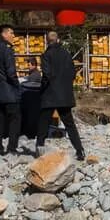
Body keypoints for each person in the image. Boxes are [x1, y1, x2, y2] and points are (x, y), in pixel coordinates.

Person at [34, 30, 85, 160]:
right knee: (69, 124)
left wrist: (42, 89)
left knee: (43, 123)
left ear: (47, 41)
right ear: (57, 40)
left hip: (50, 95)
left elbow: (46, 75)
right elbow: (73, 73)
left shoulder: (46, 55)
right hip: (64, 95)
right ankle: (79, 150)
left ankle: (39, 150)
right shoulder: (66, 54)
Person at [0, 24, 23, 155]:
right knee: (15, 120)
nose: (14, 36)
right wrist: (17, 85)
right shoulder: (7, 50)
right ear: (4, 34)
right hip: (9, 91)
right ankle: (12, 148)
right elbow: (11, 72)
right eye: (11, 33)